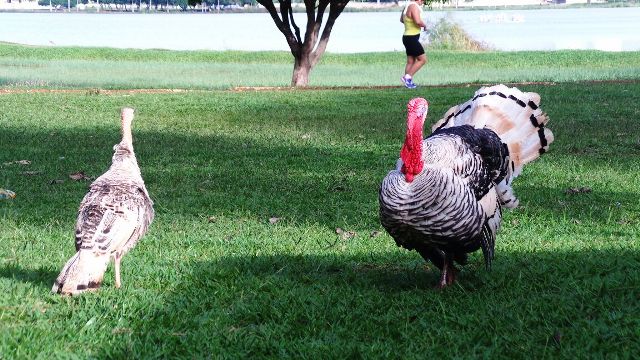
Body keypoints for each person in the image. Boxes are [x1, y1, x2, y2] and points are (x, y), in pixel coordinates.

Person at [400, 0, 427, 89]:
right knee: (422, 59)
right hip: (412, 38)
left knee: (411, 61)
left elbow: (401, 20)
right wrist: (425, 25)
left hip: (407, 37)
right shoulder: (414, 6)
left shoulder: (407, 6)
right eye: (423, 1)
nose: (423, 2)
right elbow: (418, 21)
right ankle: (407, 77)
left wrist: (409, 23)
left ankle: (408, 83)